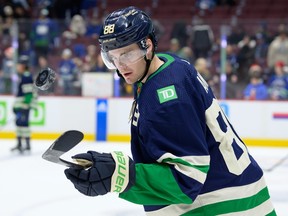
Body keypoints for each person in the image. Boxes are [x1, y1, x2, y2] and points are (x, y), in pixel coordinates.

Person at [64, 6, 276, 216]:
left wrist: (119, 174)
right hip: (235, 193)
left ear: (147, 46)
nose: (120, 65)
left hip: (224, 205)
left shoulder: (167, 96)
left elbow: (188, 177)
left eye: (127, 55)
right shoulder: (170, 65)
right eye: (113, 58)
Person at [11, 55, 37, 153]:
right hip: (21, 105)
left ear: (23, 65)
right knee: (19, 124)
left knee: (24, 124)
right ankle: (20, 144)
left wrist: (24, 106)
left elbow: (29, 94)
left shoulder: (26, 76)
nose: (17, 66)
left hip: (23, 106)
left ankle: (27, 145)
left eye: (19, 64)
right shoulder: (25, 76)